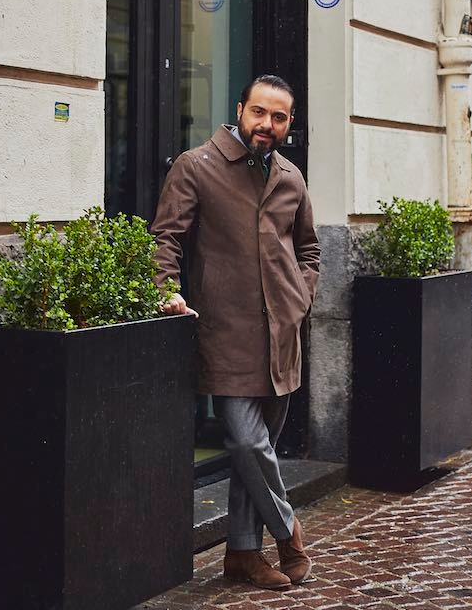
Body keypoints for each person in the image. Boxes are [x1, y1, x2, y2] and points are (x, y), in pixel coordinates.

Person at [151, 74, 320, 590]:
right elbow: (166, 239)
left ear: (289, 124)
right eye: (259, 113)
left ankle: (243, 555)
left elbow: (309, 249)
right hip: (224, 336)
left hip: (282, 338)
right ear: (240, 109)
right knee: (247, 443)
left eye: (279, 117)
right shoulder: (196, 166)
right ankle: (287, 527)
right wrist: (167, 290)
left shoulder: (290, 177)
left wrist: (300, 299)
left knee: (260, 448)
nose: (267, 125)